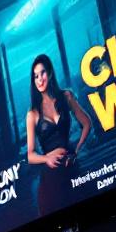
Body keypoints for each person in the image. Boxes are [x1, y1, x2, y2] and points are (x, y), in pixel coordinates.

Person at [25, 53, 90, 214]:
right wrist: (46, 158)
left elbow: (87, 124)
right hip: (52, 175)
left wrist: (76, 150)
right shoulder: (32, 113)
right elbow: (30, 155)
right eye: (35, 76)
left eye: (42, 73)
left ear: (50, 73)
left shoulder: (66, 96)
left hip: (71, 166)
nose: (39, 79)